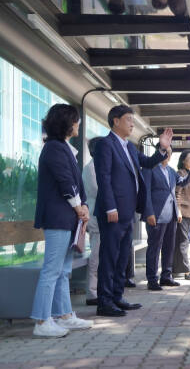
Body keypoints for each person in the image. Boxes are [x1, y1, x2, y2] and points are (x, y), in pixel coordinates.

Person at [94, 106, 173, 317]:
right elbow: (104, 178)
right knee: (109, 257)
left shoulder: (128, 147)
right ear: (115, 121)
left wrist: (162, 149)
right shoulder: (105, 144)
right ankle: (104, 302)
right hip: (113, 212)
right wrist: (110, 206)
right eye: (129, 119)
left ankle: (117, 296)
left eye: (133, 120)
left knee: (122, 258)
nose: (132, 124)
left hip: (128, 213)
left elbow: (147, 163)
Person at [31, 104, 93, 337]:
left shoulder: (62, 148)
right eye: (75, 120)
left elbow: (74, 183)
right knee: (52, 270)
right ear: (65, 123)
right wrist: (79, 207)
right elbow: (65, 182)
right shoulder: (55, 148)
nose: (78, 124)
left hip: (67, 218)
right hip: (58, 218)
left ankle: (64, 315)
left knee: (63, 270)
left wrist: (82, 207)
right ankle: (41, 321)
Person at [142, 145, 190, 291]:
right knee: (154, 248)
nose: (167, 155)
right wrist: (149, 212)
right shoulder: (150, 169)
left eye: (170, 153)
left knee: (169, 247)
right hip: (156, 215)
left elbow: (182, 182)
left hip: (171, 216)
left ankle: (166, 276)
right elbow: (145, 192)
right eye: (165, 152)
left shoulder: (171, 171)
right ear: (158, 152)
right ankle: (152, 279)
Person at [173, 150, 190, 281]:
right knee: (183, 242)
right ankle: (187, 271)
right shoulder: (180, 174)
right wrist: (177, 210)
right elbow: (176, 193)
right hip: (182, 213)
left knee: (182, 242)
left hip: (189, 214)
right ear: (183, 160)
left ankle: (176, 269)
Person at [83, 136, 102, 306]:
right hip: (95, 215)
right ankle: (91, 292)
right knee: (95, 254)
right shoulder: (90, 168)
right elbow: (97, 190)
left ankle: (98, 289)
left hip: (100, 214)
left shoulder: (99, 166)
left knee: (101, 253)